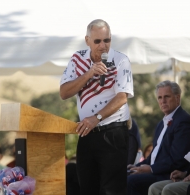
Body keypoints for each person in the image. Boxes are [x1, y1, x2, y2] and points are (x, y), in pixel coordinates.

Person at [59, 19, 134, 195]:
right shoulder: (77, 59)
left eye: (106, 40)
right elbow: (64, 92)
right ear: (87, 41)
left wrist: (96, 118)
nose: (103, 46)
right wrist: (90, 73)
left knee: (111, 190)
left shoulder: (121, 60)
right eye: (97, 41)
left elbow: (122, 97)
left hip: (113, 133)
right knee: (87, 187)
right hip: (87, 133)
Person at [127, 80, 190, 195]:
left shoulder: (184, 122)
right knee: (123, 175)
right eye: (159, 98)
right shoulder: (161, 124)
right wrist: (135, 167)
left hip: (170, 175)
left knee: (130, 181)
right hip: (156, 172)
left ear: (178, 98)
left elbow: (178, 160)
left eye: (167, 97)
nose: (163, 101)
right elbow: (153, 157)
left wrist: (150, 169)